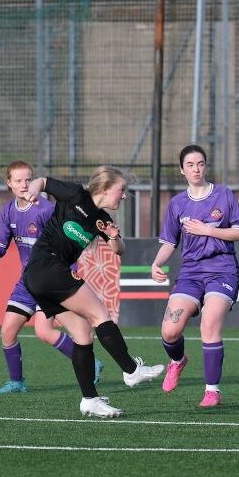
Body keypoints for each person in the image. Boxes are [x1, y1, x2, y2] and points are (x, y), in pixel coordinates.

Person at [22, 166, 164, 418]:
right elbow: (43, 181)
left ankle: (90, 399)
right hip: (47, 266)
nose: (124, 196)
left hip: (37, 276)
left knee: (83, 334)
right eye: (121, 190)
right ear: (107, 188)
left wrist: (114, 236)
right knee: (100, 314)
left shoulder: (102, 219)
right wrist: (33, 188)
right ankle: (131, 370)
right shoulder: (76, 195)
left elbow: (119, 250)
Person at [0, 161, 104, 394]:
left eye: (28, 179)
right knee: (7, 331)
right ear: (9, 184)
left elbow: (66, 244)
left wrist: (69, 270)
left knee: (45, 331)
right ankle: (16, 383)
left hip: (52, 279)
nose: (24, 184)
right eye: (18, 180)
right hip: (28, 280)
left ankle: (90, 364)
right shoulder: (8, 211)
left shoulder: (46, 210)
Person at [151, 144, 239, 407]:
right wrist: (157, 263)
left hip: (222, 269)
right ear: (182, 170)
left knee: (209, 323)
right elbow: (169, 243)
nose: (196, 169)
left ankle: (212, 391)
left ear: (206, 166)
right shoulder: (177, 204)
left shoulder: (224, 195)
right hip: (191, 272)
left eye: (200, 163)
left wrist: (209, 230)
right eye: (190, 165)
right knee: (170, 332)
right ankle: (177, 361)